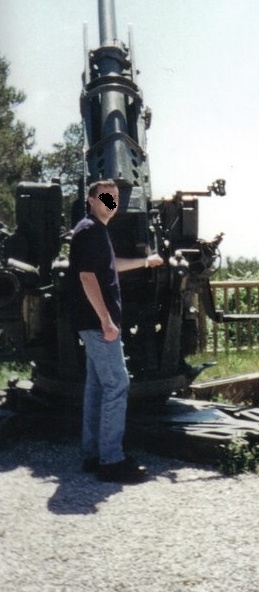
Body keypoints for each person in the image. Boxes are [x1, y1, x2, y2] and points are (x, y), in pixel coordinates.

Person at [69, 179, 163, 483]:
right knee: (117, 385)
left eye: (116, 197)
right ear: (92, 199)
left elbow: (110, 267)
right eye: (106, 196)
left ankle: (93, 454)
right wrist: (106, 320)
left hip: (94, 323)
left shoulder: (96, 230)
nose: (113, 201)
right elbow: (86, 277)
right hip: (99, 324)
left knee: (97, 387)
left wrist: (144, 262)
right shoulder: (89, 230)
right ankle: (112, 460)